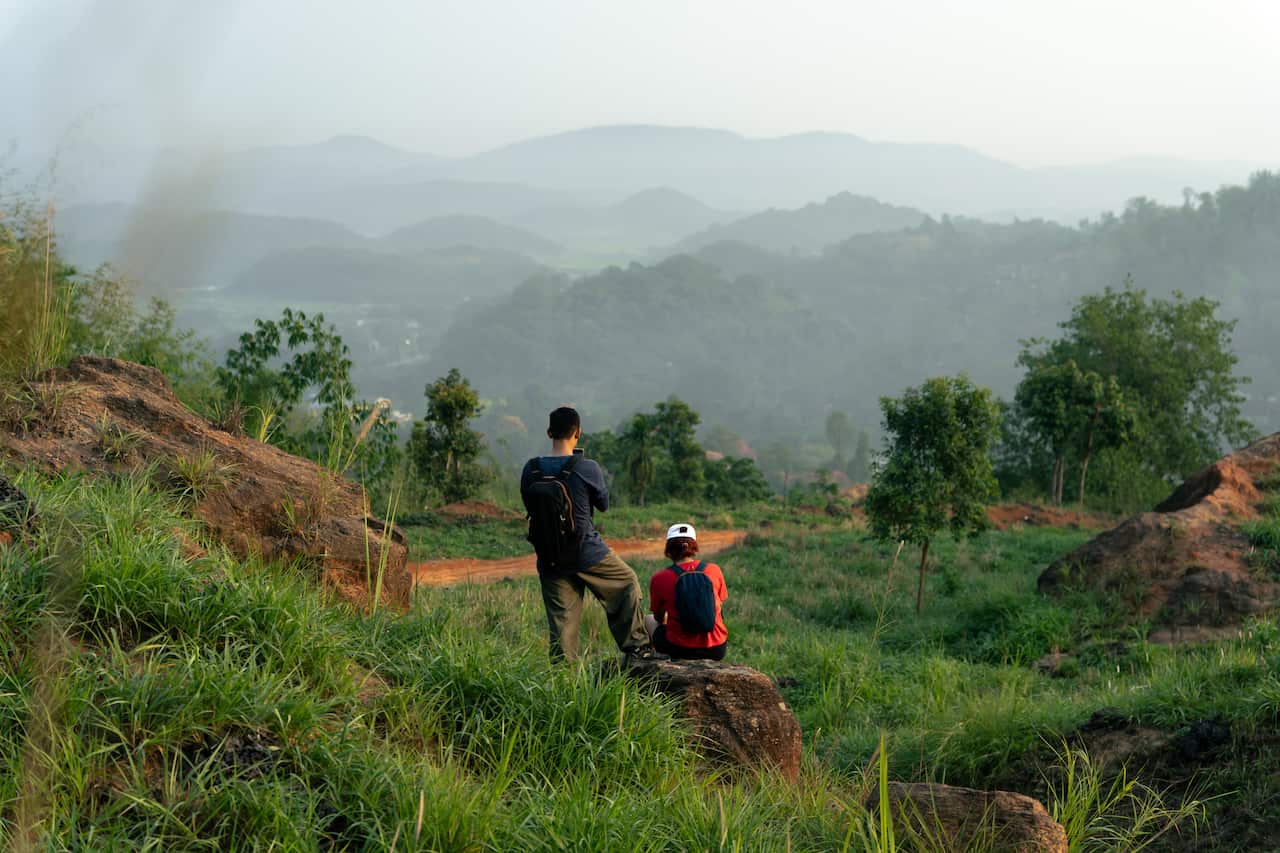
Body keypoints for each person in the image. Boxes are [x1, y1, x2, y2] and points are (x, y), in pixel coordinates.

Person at [520, 406, 662, 663]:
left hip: (550, 557)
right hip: (587, 552)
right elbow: (603, 504)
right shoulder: (587, 467)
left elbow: (530, 508)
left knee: (562, 624)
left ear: (549, 431)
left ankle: (564, 681)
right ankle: (638, 648)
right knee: (627, 582)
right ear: (578, 433)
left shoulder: (531, 470)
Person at [646, 523, 728, 661]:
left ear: (669, 549)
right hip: (716, 648)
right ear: (693, 546)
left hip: (679, 648)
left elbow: (658, 618)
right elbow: (719, 607)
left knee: (647, 620)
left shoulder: (659, 578)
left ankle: (659, 659)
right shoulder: (714, 570)